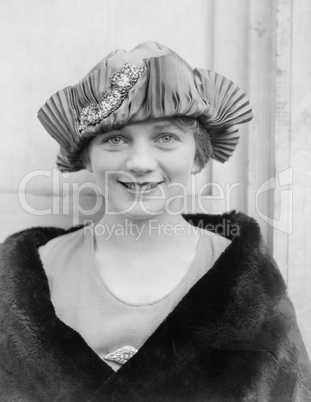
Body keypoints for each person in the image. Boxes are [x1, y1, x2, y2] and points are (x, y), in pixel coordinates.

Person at [0, 41, 310, 402]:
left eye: (165, 137)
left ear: (198, 156)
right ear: (87, 157)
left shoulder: (249, 283)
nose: (140, 163)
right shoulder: (29, 274)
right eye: (115, 138)